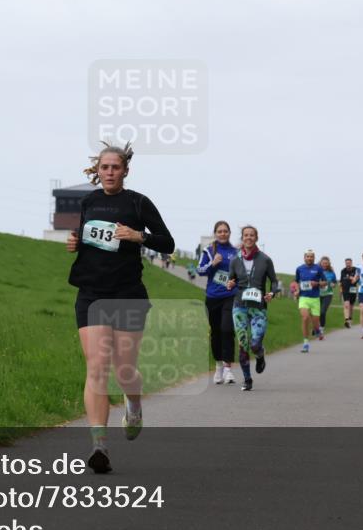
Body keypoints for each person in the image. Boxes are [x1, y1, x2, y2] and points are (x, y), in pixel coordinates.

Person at [66, 141, 175, 474]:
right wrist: (75, 241)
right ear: (97, 171)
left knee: (124, 369)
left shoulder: (138, 203)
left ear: (125, 170)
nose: (109, 172)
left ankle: (134, 404)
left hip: (127, 293)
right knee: (97, 366)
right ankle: (99, 445)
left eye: (115, 167)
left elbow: (167, 242)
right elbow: (86, 237)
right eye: (104, 167)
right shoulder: (89, 201)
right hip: (91, 293)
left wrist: (137, 235)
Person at [225, 226, 280, 391]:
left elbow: (275, 281)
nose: (248, 238)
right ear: (242, 238)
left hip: (258, 308)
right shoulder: (235, 260)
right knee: (242, 344)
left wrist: (272, 292)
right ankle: (247, 379)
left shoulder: (265, 259)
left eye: (251, 235)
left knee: (255, 343)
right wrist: (230, 283)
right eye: (245, 235)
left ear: (256, 238)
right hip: (239, 306)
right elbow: (230, 280)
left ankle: (260, 354)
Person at [196, 221, 239, 385]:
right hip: (212, 297)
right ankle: (219, 366)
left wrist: (236, 281)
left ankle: (228, 369)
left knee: (227, 329)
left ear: (229, 233)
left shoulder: (236, 252)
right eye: (219, 231)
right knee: (216, 332)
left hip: (230, 295)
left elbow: (241, 274)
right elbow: (199, 270)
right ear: (215, 233)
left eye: (225, 231)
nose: (223, 234)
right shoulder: (209, 250)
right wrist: (213, 263)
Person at [294, 250, 327, 352]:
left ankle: (317, 330)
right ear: (304, 258)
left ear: (314, 258)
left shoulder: (318, 268)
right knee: (305, 317)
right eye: (307, 256)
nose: (309, 258)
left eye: (311, 257)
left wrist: (316, 283)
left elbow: (325, 282)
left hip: (315, 299)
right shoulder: (299, 269)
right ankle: (305, 343)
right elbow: (296, 282)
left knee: (316, 322)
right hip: (304, 298)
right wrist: (296, 291)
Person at [317, 256, 338, 339]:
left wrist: (333, 285)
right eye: (323, 263)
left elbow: (334, 283)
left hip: (328, 294)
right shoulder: (317, 271)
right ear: (320, 263)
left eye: (326, 263)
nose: (324, 265)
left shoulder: (331, 273)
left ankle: (321, 329)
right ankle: (316, 328)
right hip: (317, 294)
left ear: (328, 264)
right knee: (316, 312)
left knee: (322, 312)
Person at [339, 258, 359, 328]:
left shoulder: (356, 270)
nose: (348, 264)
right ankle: (346, 320)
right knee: (346, 305)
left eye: (349, 263)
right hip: (345, 290)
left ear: (351, 263)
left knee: (351, 306)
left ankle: (350, 318)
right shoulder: (343, 271)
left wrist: (354, 279)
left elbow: (358, 278)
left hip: (353, 289)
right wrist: (340, 290)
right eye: (346, 263)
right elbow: (341, 281)